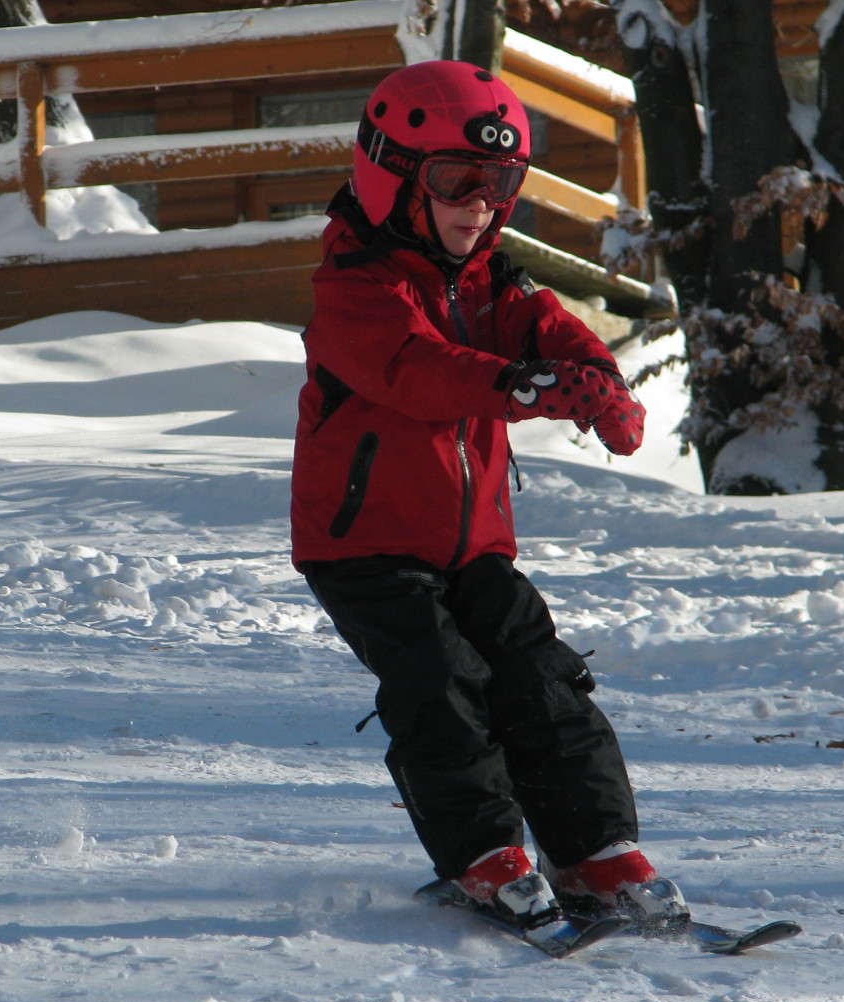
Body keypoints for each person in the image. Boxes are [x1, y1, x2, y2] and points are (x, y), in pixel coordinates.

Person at [290, 60, 685, 949]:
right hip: (363, 546)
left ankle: (593, 850)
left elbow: (554, 330)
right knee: (439, 679)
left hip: (472, 547)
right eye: (455, 180)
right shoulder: (353, 287)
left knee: (540, 675)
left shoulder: (492, 284)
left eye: (499, 184)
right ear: (393, 176)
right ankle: (484, 856)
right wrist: (525, 386)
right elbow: (416, 371)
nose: (479, 204)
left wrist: (599, 382)